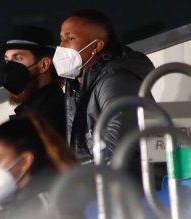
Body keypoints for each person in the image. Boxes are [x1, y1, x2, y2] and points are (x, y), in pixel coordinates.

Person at [52, 9, 155, 163]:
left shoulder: (116, 80)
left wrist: (85, 182)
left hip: (128, 181)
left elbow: (116, 149)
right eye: (61, 39)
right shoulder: (75, 83)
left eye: (70, 38)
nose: (62, 46)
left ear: (96, 46)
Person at [2, 25, 66, 139]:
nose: (10, 67)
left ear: (44, 65)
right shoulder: (29, 110)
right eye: (7, 60)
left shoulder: (54, 111)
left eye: (18, 58)